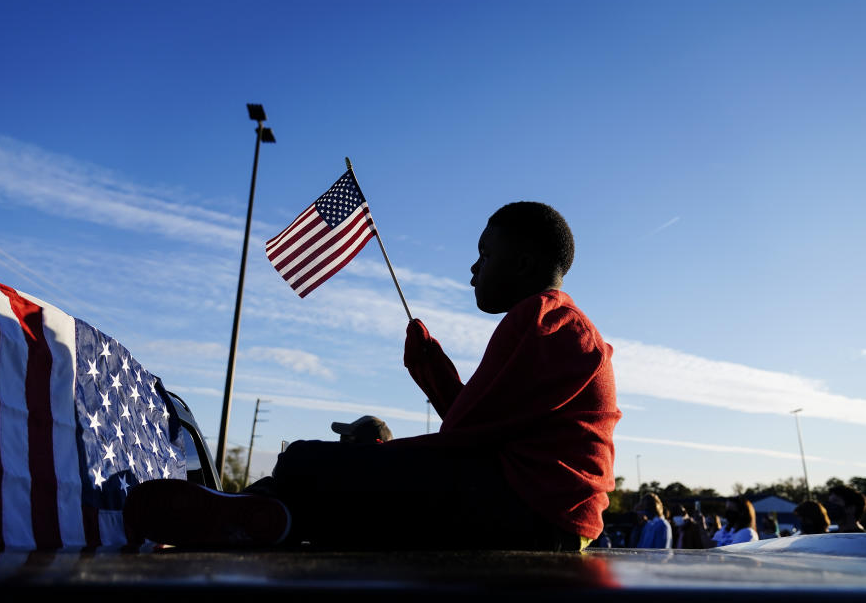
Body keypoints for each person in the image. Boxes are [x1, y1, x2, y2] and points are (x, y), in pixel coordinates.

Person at [124, 201, 621, 551]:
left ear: (524, 262)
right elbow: (484, 427)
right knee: (336, 475)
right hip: (536, 511)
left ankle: (254, 507)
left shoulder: (543, 320)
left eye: (485, 254)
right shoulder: (557, 323)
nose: (473, 268)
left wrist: (374, 456)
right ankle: (268, 516)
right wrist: (432, 370)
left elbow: (464, 439)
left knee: (303, 460)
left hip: (536, 516)